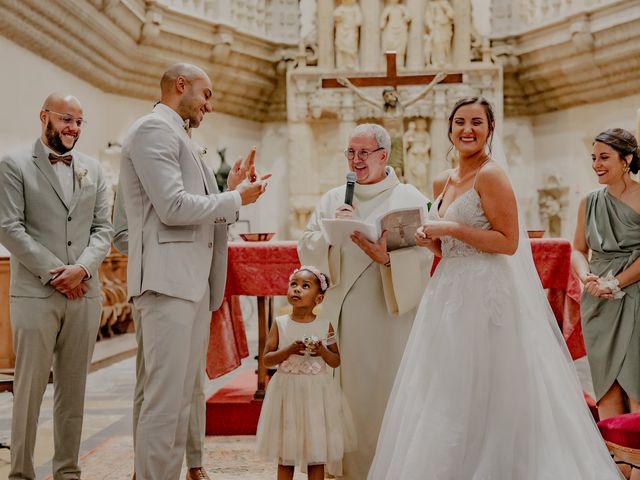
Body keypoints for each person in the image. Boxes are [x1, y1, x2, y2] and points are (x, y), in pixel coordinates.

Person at [368, 97, 623, 479]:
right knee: (445, 384)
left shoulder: (492, 175)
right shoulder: (443, 179)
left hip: (486, 289)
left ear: (490, 129)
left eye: (476, 122)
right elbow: (450, 246)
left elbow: (508, 242)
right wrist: (431, 240)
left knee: (489, 382)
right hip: (448, 289)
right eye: (459, 122)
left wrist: (449, 228)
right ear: (450, 129)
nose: (467, 129)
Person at [118, 63, 269, 480]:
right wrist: (236, 199)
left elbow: (193, 208)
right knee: (164, 402)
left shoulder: (180, 137)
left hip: (188, 282)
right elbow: (173, 207)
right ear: (179, 86)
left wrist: (227, 191)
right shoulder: (153, 130)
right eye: (206, 94)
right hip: (167, 282)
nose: (210, 104)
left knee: (182, 397)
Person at [298, 123, 432, 478]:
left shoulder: (410, 198)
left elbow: (426, 257)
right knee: (350, 399)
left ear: (384, 155)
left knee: (387, 395)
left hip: (390, 311)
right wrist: (330, 237)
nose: (356, 161)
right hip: (346, 313)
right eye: (351, 153)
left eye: (364, 153)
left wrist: (386, 257)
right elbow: (306, 245)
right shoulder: (333, 198)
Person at [0, 93, 112, 480]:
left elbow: (104, 230)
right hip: (35, 294)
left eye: (80, 122)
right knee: (28, 391)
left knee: (74, 390)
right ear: (44, 116)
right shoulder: (13, 164)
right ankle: (20, 474)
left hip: (85, 294)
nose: (73, 128)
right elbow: (9, 227)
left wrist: (81, 269)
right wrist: (56, 272)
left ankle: (67, 472)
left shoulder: (94, 170)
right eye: (67, 119)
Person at [571, 128, 640, 478]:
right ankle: (613, 470)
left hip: (635, 297)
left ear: (626, 160)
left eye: (604, 157)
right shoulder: (590, 202)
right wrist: (587, 279)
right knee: (606, 386)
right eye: (594, 158)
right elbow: (578, 250)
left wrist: (617, 281)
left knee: (635, 381)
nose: (596, 164)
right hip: (598, 301)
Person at [256, 266, 356, 479]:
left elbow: (336, 360)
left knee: (315, 451)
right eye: (294, 284)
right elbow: (266, 359)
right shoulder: (280, 324)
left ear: (318, 299)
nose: (297, 290)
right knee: (286, 451)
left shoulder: (325, 325)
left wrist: (321, 350)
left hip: (315, 397)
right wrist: (289, 350)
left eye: (305, 286)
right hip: (287, 393)